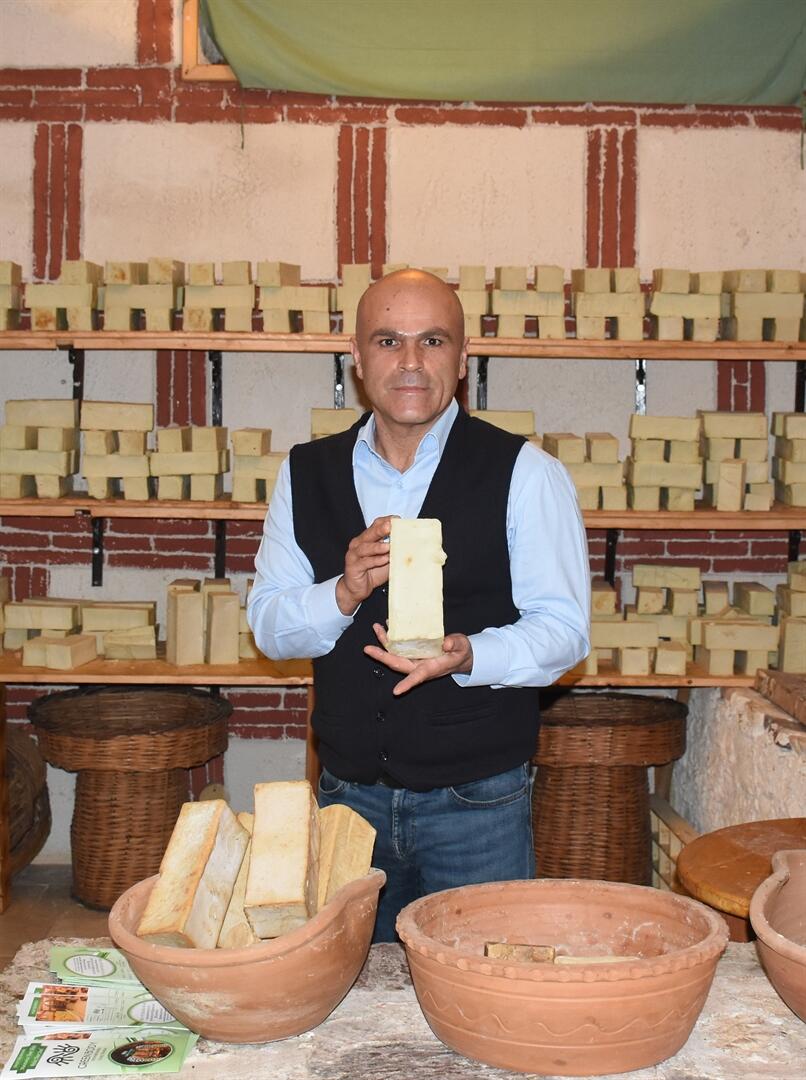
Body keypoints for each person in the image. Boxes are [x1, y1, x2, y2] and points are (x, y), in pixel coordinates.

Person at [248, 269, 590, 941]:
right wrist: (342, 592)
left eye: (432, 340)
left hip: (478, 804)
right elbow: (269, 627)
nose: (409, 361)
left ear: (462, 360)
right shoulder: (305, 472)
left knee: (484, 982)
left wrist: (470, 654)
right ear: (357, 359)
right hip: (348, 803)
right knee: (351, 991)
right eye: (388, 340)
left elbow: (564, 633)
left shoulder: (526, 473)